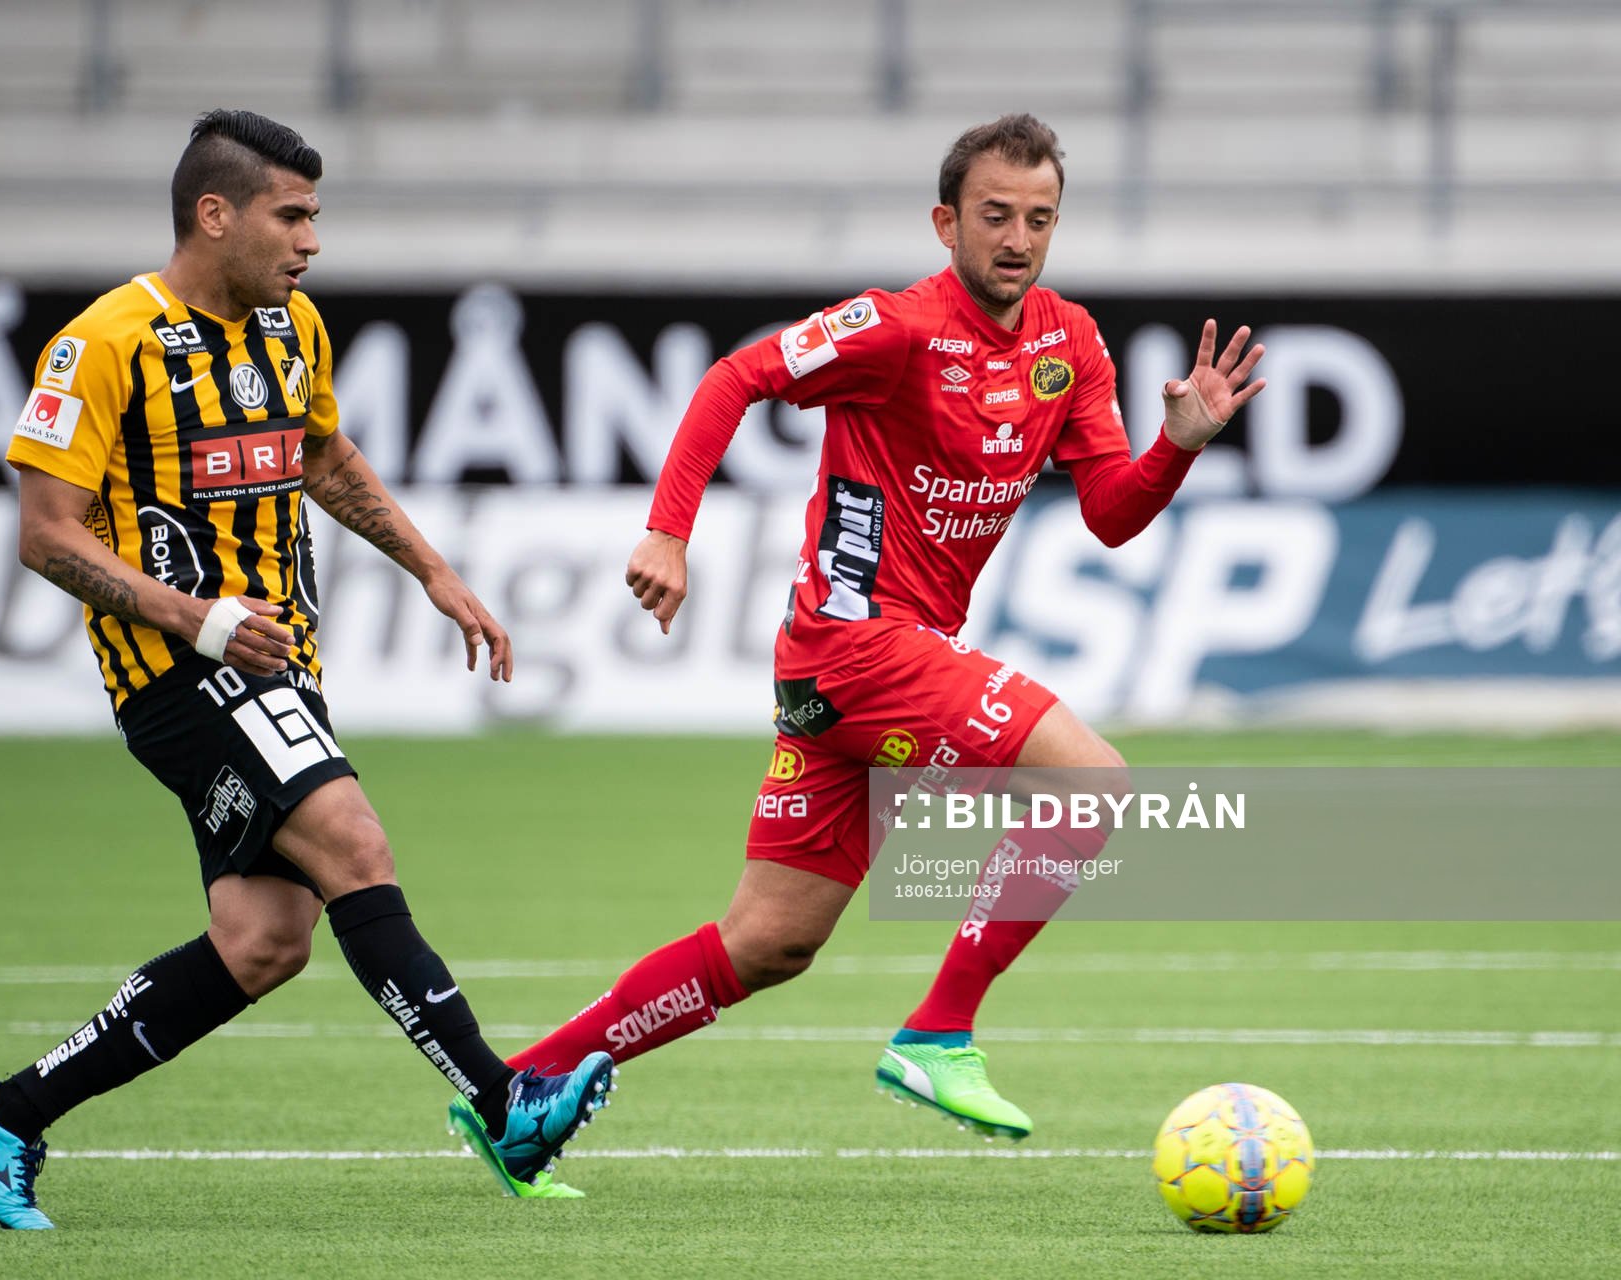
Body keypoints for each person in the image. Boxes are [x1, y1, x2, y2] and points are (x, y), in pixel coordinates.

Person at [448, 113, 1263, 1195]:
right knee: (1092, 780)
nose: (1017, 238)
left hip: (862, 668)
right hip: (858, 644)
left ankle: (523, 1094)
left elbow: (1111, 512)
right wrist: (668, 529)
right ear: (946, 220)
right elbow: (737, 376)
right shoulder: (895, 328)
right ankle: (939, 1033)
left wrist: (1179, 446)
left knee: (769, 941)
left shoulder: (1070, 343)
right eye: (994, 215)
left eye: (1039, 218)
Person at [0, 108, 613, 1229]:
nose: (310, 241)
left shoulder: (291, 328)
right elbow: (46, 532)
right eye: (290, 215)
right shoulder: (103, 342)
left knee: (264, 943)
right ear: (216, 213)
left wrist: (431, 571)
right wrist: (191, 617)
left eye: (314, 217)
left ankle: (5, 1114)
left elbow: (322, 456)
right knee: (356, 843)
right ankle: (504, 1099)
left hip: (277, 664)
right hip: (178, 674)